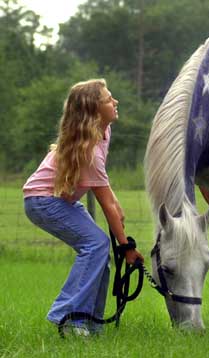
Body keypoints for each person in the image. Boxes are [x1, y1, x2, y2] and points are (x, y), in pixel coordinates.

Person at [23, 79, 144, 336]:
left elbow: (108, 194)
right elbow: (105, 203)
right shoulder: (90, 151)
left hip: (61, 200)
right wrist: (127, 247)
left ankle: (90, 322)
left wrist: (118, 208)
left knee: (100, 252)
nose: (115, 102)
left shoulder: (103, 132)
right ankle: (69, 317)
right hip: (42, 201)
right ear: (94, 110)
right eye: (109, 99)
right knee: (97, 245)